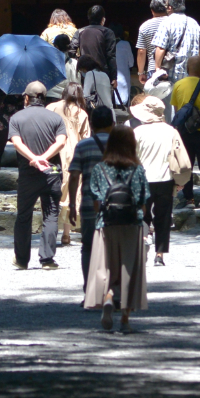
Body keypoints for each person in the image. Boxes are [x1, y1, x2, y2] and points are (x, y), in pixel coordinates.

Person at [82, 125, 149, 333]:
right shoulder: (137, 170)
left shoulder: (100, 169)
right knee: (129, 268)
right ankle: (125, 320)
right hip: (131, 223)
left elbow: (95, 201)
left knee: (108, 267)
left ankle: (109, 296)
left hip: (106, 223)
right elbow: (143, 202)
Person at [6, 81, 66, 269]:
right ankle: (47, 259)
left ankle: (22, 260)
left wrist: (34, 158)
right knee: (50, 214)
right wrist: (44, 158)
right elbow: (61, 142)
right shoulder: (55, 118)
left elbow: (16, 143)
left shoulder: (17, 118)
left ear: (27, 98)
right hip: (52, 172)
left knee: (24, 216)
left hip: (28, 173)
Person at [129, 96, 190, 266]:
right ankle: (160, 255)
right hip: (166, 179)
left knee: (142, 214)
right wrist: (181, 179)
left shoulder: (137, 132)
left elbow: (131, 157)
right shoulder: (171, 131)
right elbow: (180, 156)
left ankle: (143, 241)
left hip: (142, 180)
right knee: (163, 217)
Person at [68, 103, 112, 291]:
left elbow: (74, 176)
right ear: (112, 124)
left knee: (87, 247)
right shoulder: (120, 145)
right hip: (115, 206)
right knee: (113, 248)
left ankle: (90, 290)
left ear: (91, 124)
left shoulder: (83, 145)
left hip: (88, 204)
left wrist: (71, 204)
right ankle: (111, 290)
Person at [168, 56, 200, 207]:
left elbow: (178, 111)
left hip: (185, 132)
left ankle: (189, 198)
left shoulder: (178, 85)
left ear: (187, 68)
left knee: (186, 164)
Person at [50, 81, 92, 239]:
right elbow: (86, 138)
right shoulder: (81, 113)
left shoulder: (52, 107)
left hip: (53, 152)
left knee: (54, 193)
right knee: (71, 194)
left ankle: (51, 230)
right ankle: (66, 233)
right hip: (74, 154)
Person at [74, 6, 119, 106]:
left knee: (86, 101)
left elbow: (71, 50)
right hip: (104, 73)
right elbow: (111, 56)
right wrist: (114, 77)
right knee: (105, 102)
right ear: (103, 19)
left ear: (88, 18)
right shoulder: (108, 32)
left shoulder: (80, 32)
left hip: (84, 73)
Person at [158, 0, 200, 77]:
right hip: (192, 75)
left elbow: (160, 48)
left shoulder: (167, 22)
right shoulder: (194, 23)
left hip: (173, 73)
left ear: (170, 8)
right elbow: (199, 51)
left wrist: (157, 69)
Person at [134, 0, 170, 90]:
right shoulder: (173, 23)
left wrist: (141, 72)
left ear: (152, 10)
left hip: (153, 68)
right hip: (173, 66)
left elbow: (141, 51)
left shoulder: (144, 26)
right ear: (167, 9)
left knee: (155, 101)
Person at [113, 26, 136, 106]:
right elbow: (131, 62)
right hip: (124, 77)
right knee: (124, 99)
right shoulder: (125, 44)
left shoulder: (107, 43)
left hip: (111, 77)